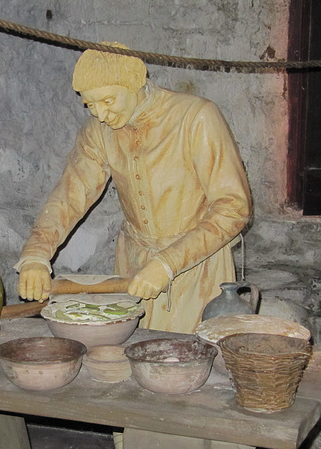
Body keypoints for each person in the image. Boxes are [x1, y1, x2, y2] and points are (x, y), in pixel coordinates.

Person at [15, 42, 251, 334]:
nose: (100, 115)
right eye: (90, 105)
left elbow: (233, 209)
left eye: (108, 101)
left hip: (195, 268)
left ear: (134, 84)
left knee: (185, 359)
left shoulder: (195, 117)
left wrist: (166, 263)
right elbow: (70, 195)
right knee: (129, 356)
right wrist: (36, 254)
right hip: (134, 264)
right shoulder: (99, 132)